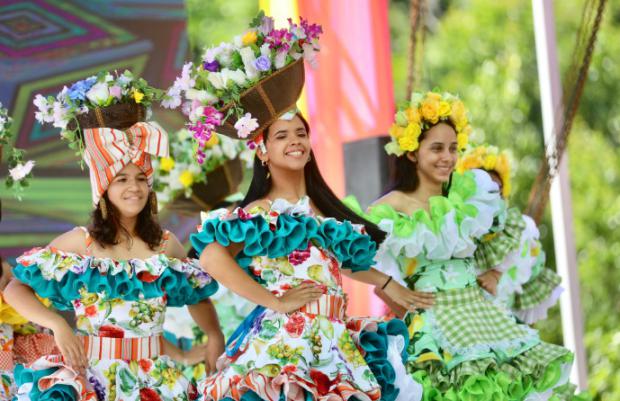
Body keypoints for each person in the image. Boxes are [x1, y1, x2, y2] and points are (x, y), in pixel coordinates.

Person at [4, 74, 223, 400]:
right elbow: (15, 288)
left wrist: (213, 335)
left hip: (154, 380)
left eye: (140, 178)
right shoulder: (82, 242)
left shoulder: (164, 245)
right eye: (121, 179)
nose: (133, 188)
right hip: (94, 374)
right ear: (103, 189)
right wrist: (58, 326)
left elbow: (197, 294)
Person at [354, 91, 577, 400]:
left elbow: (512, 229)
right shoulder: (393, 205)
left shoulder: (469, 194)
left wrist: (496, 274)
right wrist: (389, 284)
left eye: (452, 148)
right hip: (434, 322)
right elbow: (347, 253)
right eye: (436, 148)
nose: (447, 157)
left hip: (484, 317)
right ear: (411, 152)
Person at [457, 145, 563, 324]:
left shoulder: (516, 229)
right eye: (481, 189)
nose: (490, 197)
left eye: (496, 190)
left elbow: (523, 269)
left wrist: (495, 275)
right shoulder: (456, 231)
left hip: (503, 322)